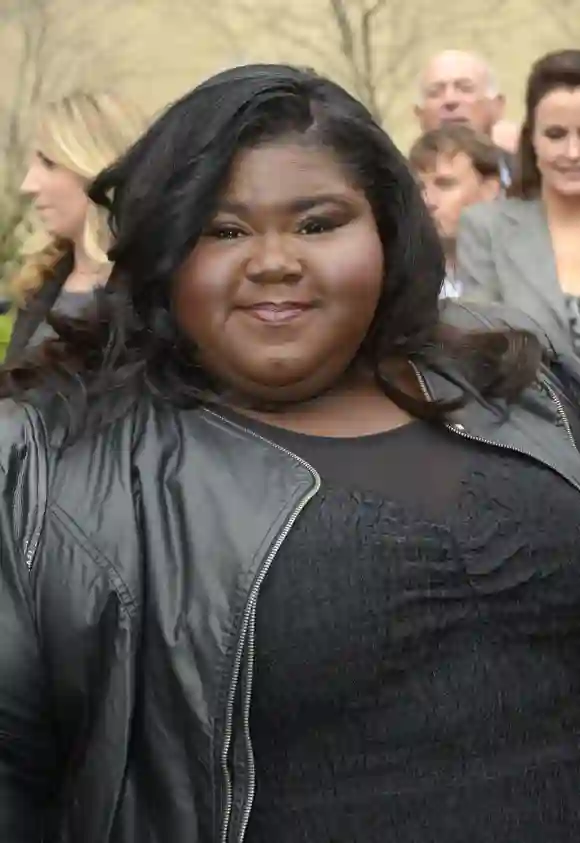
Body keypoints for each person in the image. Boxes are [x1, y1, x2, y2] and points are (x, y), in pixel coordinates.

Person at [1, 63, 580, 843]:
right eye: (225, 229)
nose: (275, 259)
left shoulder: (520, 383)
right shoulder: (54, 468)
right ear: (167, 249)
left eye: (317, 222)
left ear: (385, 229)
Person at [4, 90, 146, 362]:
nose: (28, 185)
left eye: (48, 163)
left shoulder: (154, 301)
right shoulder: (42, 280)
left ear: (97, 167)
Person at [457, 50, 580, 352]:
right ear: (532, 139)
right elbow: (480, 348)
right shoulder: (486, 229)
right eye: (555, 134)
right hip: (526, 398)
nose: (573, 152)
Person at [409, 124, 502, 297]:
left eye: (445, 185)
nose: (427, 200)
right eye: (419, 188)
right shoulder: (405, 278)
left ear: (489, 190)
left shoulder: (523, 271)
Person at [415, 50, 513, 187]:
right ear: (419, 114)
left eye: (465, 88)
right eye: (435, 92)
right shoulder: (395, 185)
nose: (450, 100)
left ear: (497, 106)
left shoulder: (534, 178)